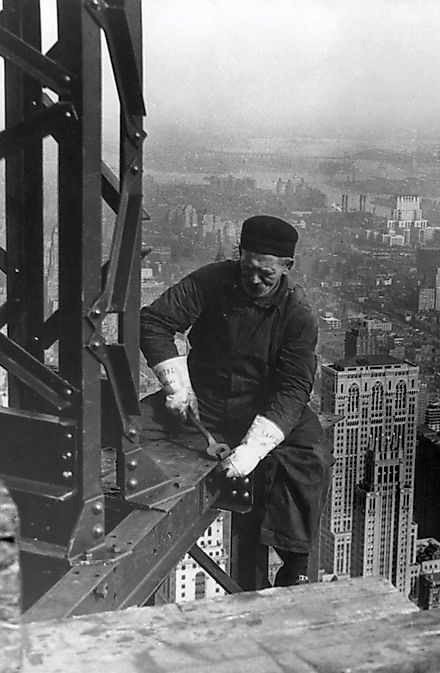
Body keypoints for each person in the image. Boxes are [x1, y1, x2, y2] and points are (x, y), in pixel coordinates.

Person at [140, 215, 331, 589]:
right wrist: (178, 387)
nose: (254, 281)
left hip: (261, 408)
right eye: (248, 268)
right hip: (203, 401)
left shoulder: (298, 312)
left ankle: (295, 559)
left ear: (287, 268)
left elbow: (293, 388)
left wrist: (252, 451)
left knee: (311, 453)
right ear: (239, 255)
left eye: (266, 275)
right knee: (132, 426)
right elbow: (154, 322)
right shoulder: (211, 280)